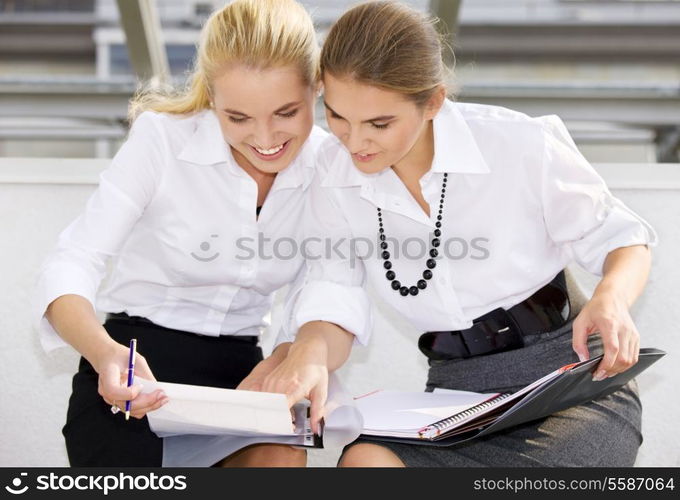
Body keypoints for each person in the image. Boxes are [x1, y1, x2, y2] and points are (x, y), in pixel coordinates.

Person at [255, 0, 658, 467]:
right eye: (338, 116)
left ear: (432, 102)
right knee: (364, 462)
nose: (354, 141)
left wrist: (610, 297)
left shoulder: (515, 144)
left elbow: (624, 239)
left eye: (379, 123)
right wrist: (307, 352)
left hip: (569, 381)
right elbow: (333, 291)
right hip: (456, 397)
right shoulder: (331, 174)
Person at [32, 0, 326, 467]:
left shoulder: (331, 167)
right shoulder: (162, 140)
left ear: (317, 88)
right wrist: (105, 355)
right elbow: (73, 260)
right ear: (211, 96)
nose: (265, 137)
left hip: (241, 377)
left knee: (281, 460)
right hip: (134, 369)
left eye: (286, 113)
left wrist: (289, 356)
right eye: (238, 118)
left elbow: (324, 292)